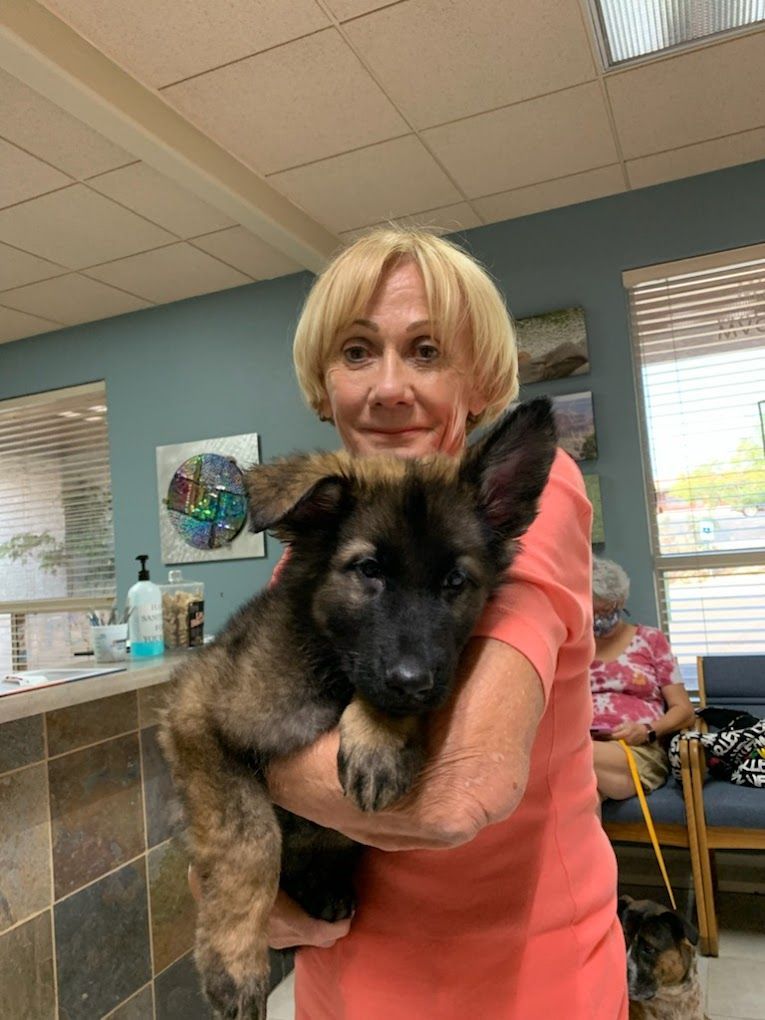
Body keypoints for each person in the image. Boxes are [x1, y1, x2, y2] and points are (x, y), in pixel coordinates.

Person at [241, 228, 626, 1017]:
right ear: (323, 383)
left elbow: (453, 795)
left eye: (425, 352)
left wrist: (232, 752)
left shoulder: (512, 499)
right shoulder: (318, 545)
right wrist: (242, 879)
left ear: (478, 378)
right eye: (356, 352)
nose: (388, 388)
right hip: (341, 973)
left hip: (516, 978)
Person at [589, 558, 695, 801]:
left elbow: (685, 710)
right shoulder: (574, 647)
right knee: (583, 797)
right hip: (588, 745)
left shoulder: (651, 641)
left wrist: (647, 731)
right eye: (588, 610)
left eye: (603, 611)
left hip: (638, 750)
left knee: (566, 756)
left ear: (619, 603)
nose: (595, 619)